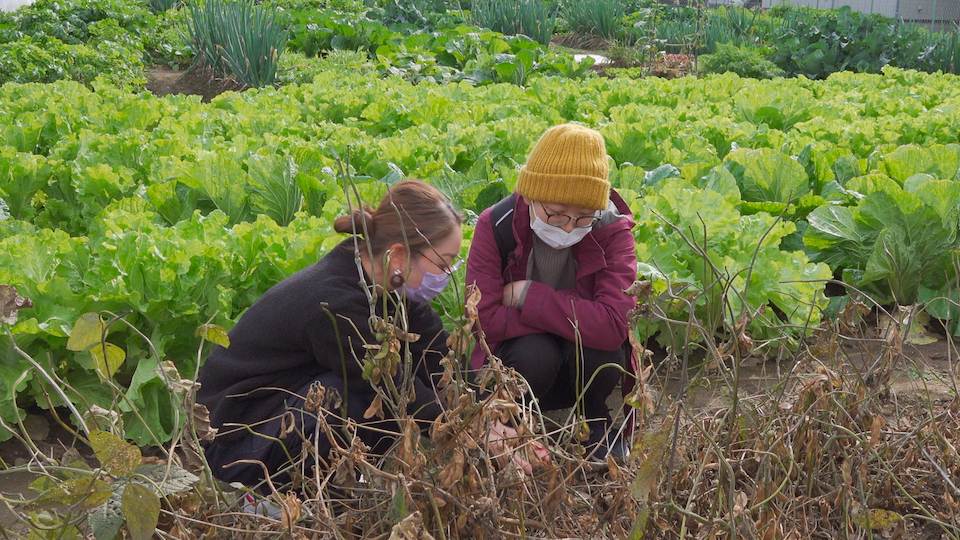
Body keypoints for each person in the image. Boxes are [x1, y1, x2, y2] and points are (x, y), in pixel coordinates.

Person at [196, 180, 464, 497]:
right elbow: (395, 388)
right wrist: (462, 430)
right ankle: (280, 497)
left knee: (375, 403)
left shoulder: (388, 283)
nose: (447, 274)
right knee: (347, 400)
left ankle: (342, 491)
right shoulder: (335, 302)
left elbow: (439, 361)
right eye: (444, 263)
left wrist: (484, 414)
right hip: (234, 444)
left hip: (279, 413)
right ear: (399, 254)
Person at [464, 123, 638, 460]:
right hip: (527, 363)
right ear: (530, 195)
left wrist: (531, 297)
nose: (570, 227)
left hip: (581, 362)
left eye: (584, 217)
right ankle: (513, 421)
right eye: (556, 214)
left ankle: (594, 422)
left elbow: (616, 323)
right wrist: (577, 317)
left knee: (602, 354)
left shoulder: (612, 229)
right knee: (537, 352)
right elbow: (481, 320)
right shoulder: (494, 225)